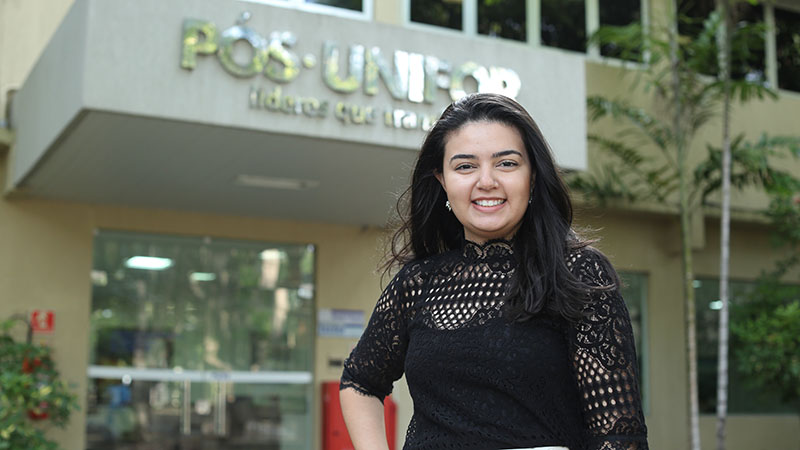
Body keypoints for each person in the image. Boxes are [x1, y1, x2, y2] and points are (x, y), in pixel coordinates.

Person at [339, 93, 648, 450]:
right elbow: (360, 381)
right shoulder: (417, 283)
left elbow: (618, 435)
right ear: (442, 180)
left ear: (533, 175)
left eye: (506, 164)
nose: (486, 181)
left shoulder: (579, 274)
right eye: (465, 166)